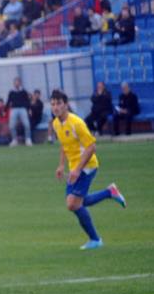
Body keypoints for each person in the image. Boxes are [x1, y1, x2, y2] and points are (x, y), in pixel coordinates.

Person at [49, 90, 126, 250]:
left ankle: (96, 240)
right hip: (74, 167)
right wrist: (61, 165)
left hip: (88, 166)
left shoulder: (77, 123)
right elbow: (64, 144)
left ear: (66, 104)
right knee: (77, 202)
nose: (55, 107)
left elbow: (92, 147)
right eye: (53, 104)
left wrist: (77, 169)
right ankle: (109, 192)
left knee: (72, 204)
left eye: (58, 103)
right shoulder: (56, 123)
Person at [6, 77, 32, 146]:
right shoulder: (11, 92)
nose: (17, 83)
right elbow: (8, 101)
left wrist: (29, 109)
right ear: (14, 83)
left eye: (18, 82)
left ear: (20, 83)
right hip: (14, 109)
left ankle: (28, 139)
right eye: (15, 82)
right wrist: (5, 110)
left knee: (26, 124)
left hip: (22, 109)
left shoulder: (24, 91)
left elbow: (27, 101)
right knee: (12, 125)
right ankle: (14, 140)